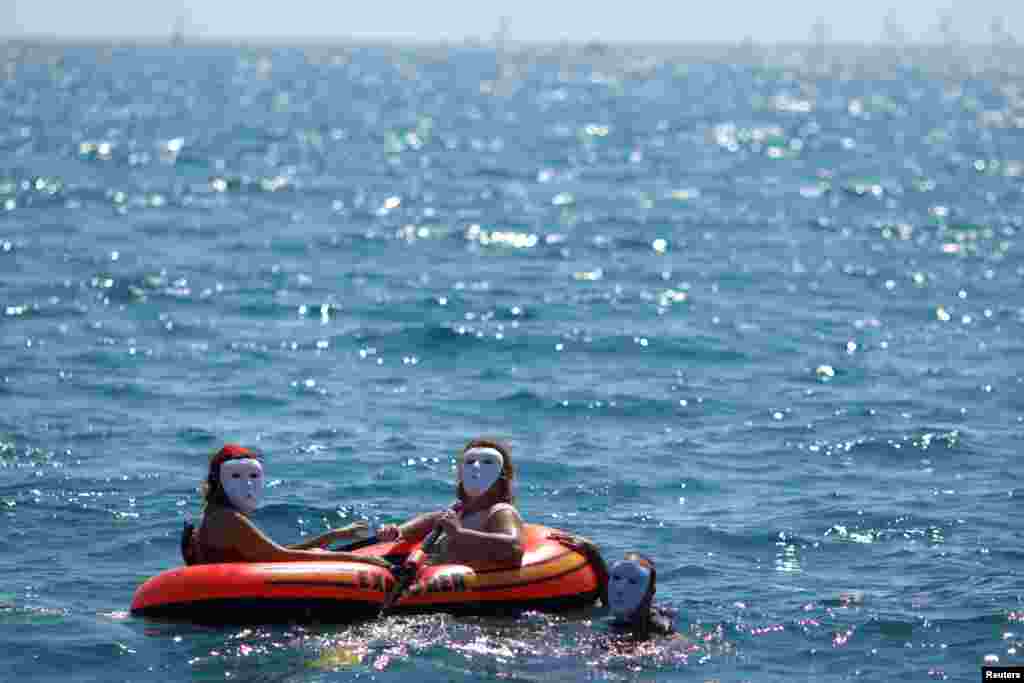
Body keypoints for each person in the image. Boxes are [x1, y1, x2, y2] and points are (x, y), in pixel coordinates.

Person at [181, 444, 390, 568]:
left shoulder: (215, 515)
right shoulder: (227, 520)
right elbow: (280, 557)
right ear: (219, 481)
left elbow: (270, 553)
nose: (247, 485)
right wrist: (357, 560)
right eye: (236, 476)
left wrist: (332, 536)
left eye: (253, 476)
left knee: (318, 551)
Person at [376, 438, 524, 566]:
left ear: (502, 477)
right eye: (470, 462)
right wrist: (395, 532)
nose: (476, 468)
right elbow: (423, 524)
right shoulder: (457, 511)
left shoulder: (501, 511)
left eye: (487, 463)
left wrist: (460, 533)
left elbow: (514, 547)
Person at [549, 532, 675, 640]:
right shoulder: (613, 601)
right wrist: (592, 552)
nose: (621, 588)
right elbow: (604, 580)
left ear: (650, 592)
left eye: (633, 582)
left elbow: (679, 643)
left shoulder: (658, 626)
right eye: (617, 578)